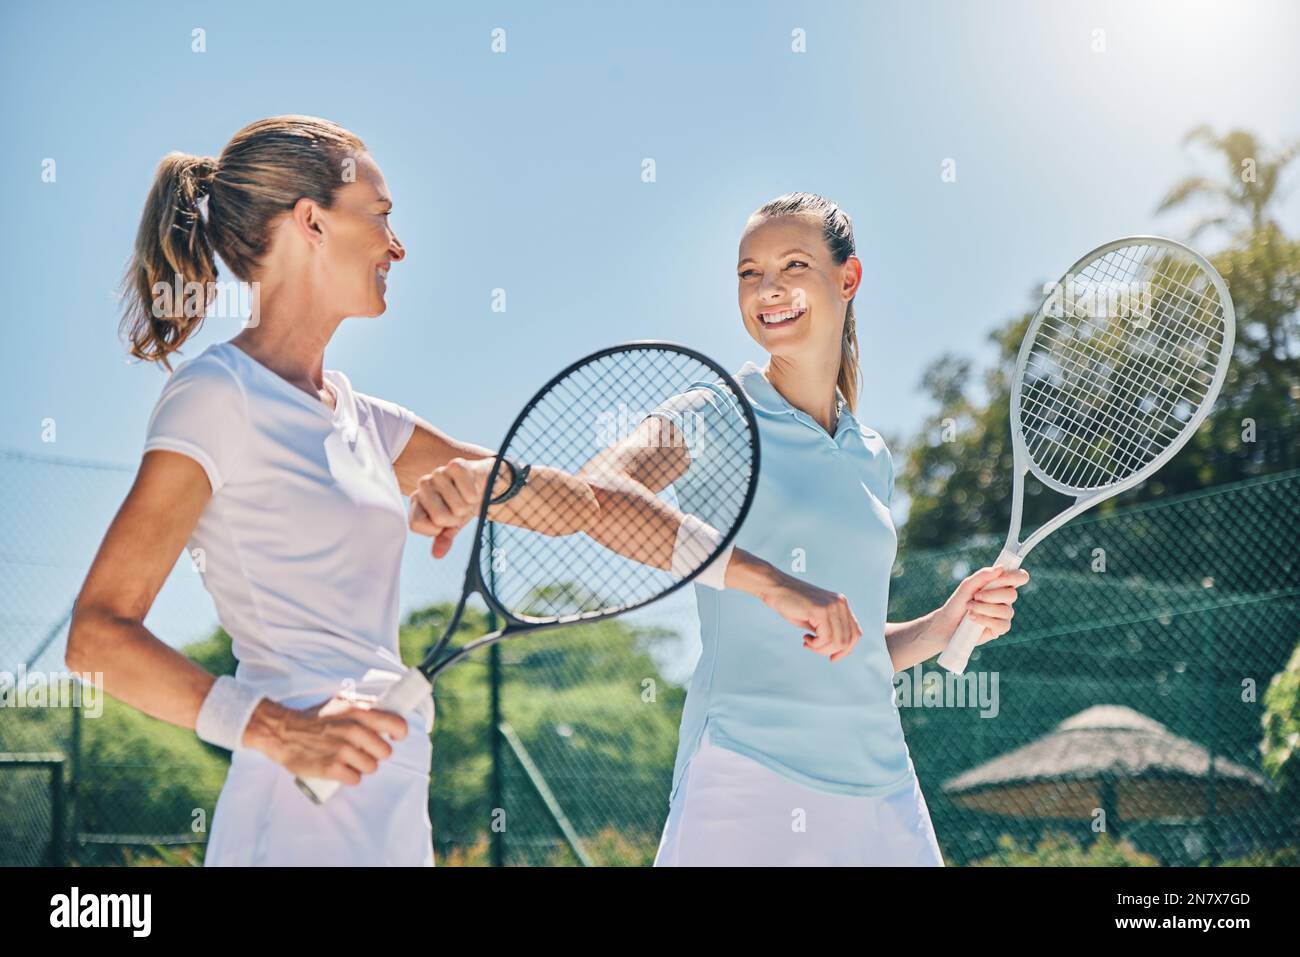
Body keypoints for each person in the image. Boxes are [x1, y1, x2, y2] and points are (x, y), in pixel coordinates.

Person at [65, 121, 862, 865]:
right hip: (293, 808)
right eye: (378, 214)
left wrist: (773, 583)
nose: (397, 244)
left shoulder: (364, 420)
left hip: (393, 793)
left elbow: (586, 506)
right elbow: (96, 637)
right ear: (311, 223)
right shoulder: (218, 395)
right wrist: (275, 730)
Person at [649, 192, 1031, 866]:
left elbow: (850, 642)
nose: (768, 290)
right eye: (748, 272)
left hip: (883, 784)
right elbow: (602, 493)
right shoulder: (713, 411)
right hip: (746, 772)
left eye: (793, 264)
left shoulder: (871, 455)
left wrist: (941, 625)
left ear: (847, 279)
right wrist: (771, 585)